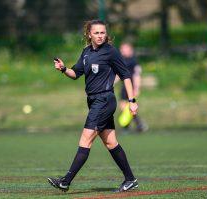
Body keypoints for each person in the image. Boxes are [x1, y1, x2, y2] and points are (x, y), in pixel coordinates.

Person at [47, 20, 139, 193]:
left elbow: (126, 75)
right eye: (96, 33)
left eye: (102, 33)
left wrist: (132, 101)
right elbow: (75, 74)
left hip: (104, 100)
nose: (100, 36)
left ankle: (65, 181)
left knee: (85, 139)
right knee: (111, 143)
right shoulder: (86, 52)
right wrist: (63, 68)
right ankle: (130, 179)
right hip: (93, 101)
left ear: (106, 34)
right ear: (89, 34)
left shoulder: (110, 52)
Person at [116, 43, 148, 133]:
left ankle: (133, 126)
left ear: (129, 49)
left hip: (132, 87)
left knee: (131, 107)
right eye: (121, 49)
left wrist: (137, 88)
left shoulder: (133, 61)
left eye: (124, 49)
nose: (121, 51)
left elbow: (137, 75)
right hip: (124, 87)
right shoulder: (122, 60)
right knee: (123, 107)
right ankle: (137, 125)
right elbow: (119, 75)